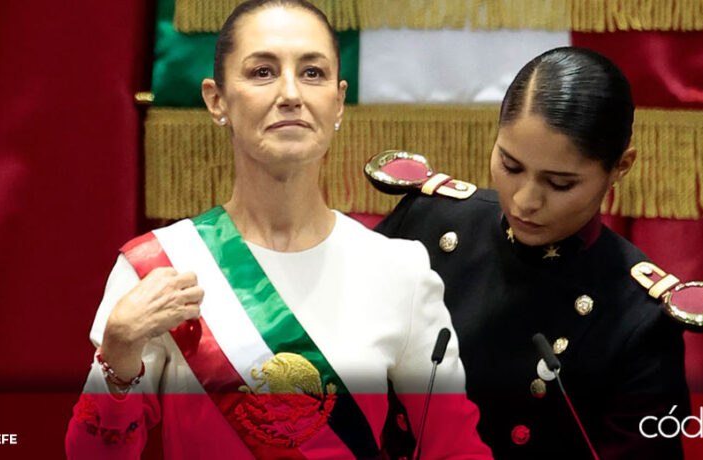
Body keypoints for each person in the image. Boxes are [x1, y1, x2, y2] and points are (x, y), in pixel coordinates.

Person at [64, 1, 491, 458]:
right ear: (216, 100)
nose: (291, 93)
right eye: (263, 72)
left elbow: (456, 450)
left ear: (339, 100)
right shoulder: (157, 267)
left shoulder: (400, 271)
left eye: (312, 73)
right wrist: (120, 349)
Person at [376, 47, 692, 459]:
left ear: (621, 167)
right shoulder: (426, 224)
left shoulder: (639, 317)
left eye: (560, 184)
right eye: (510, 166)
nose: (525, 201)